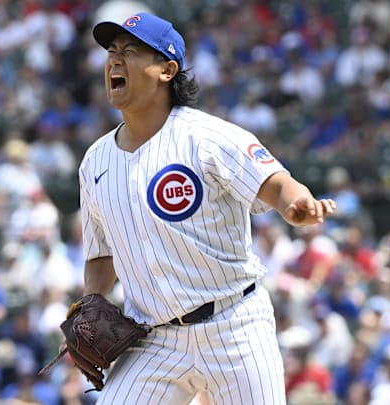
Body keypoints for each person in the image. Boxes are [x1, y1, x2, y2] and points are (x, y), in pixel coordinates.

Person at [71, 12, 337, 404]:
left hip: (234, 324)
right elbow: (101, 255)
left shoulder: (207, 138)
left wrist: (295, 202)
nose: (114, 60)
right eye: (111, 52)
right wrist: (89, 307)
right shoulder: (95, 161)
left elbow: (277, 183)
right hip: (154, 340)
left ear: (167, 70)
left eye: (130, 52)